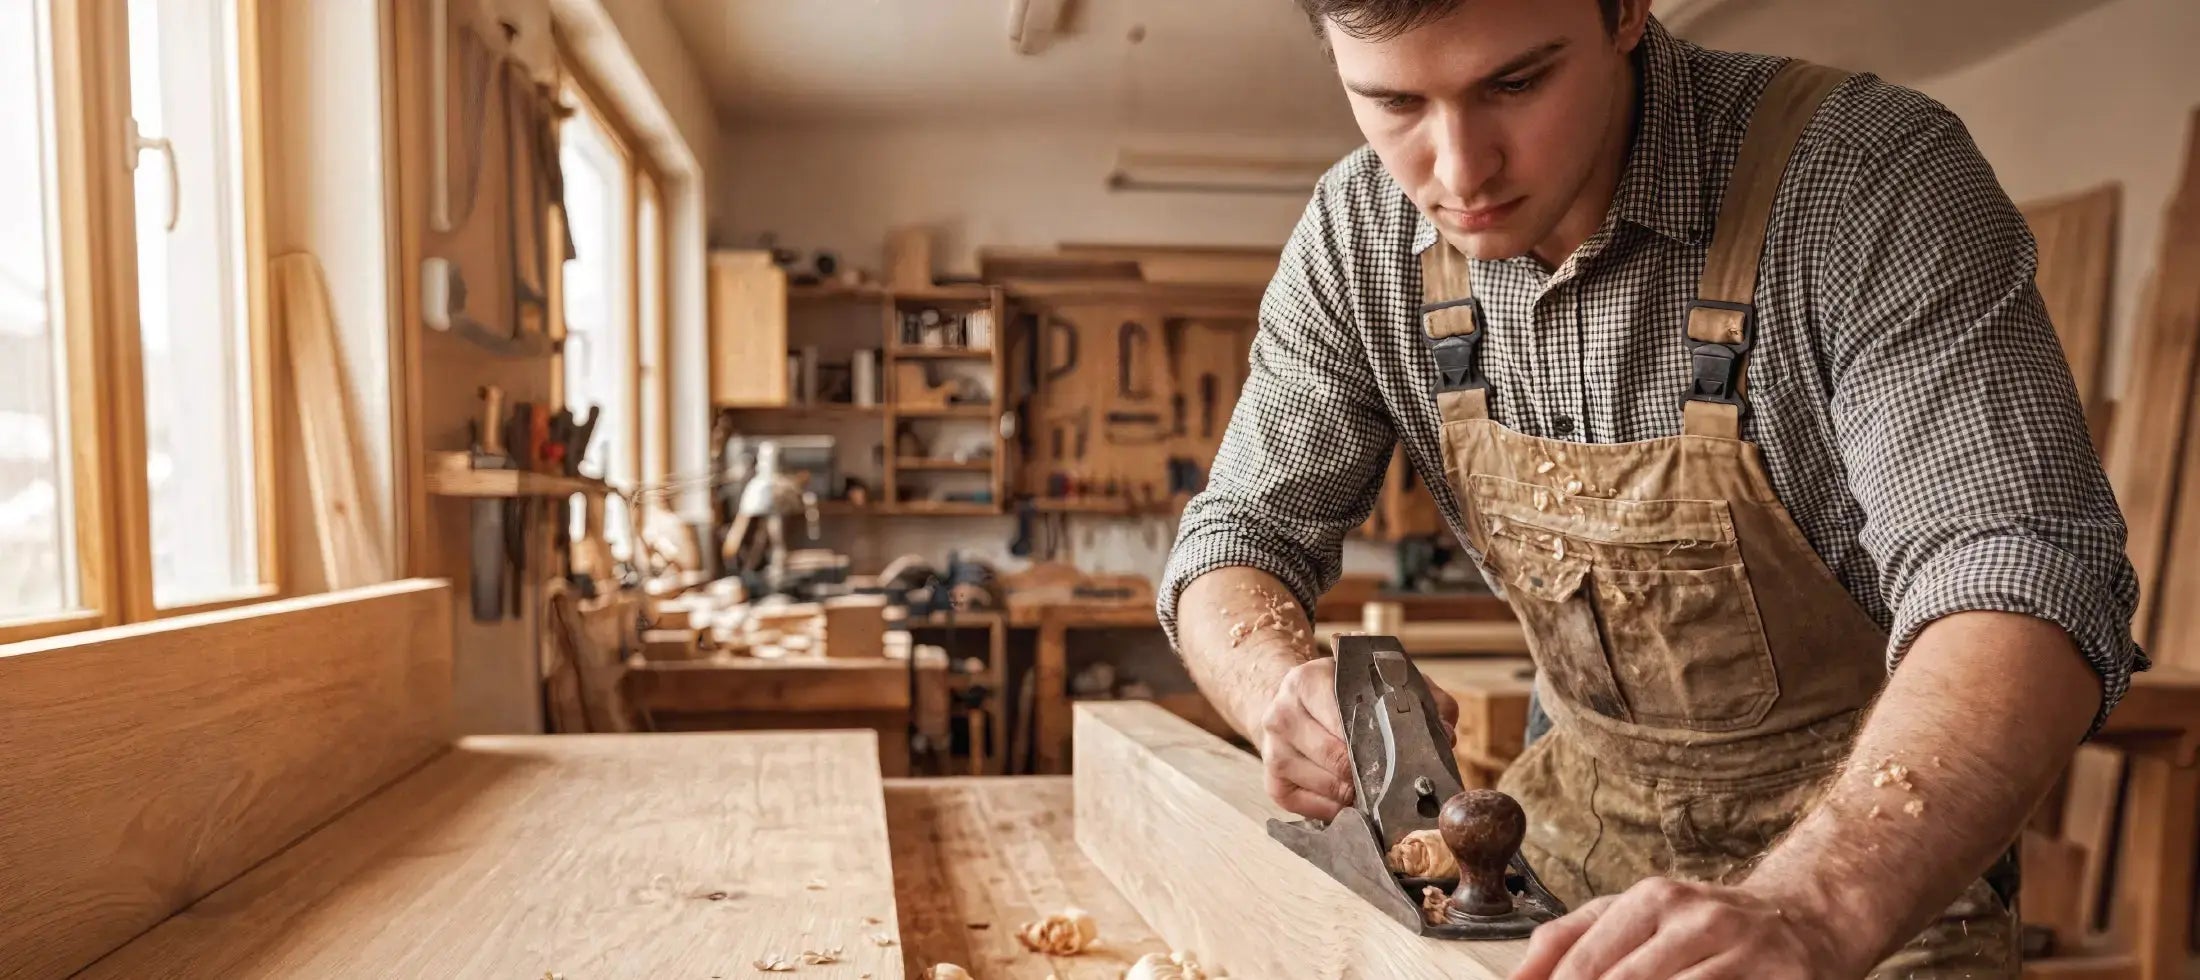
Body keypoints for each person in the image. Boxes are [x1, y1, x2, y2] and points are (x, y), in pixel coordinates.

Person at [1156, 0, 2145, 977]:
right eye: (1393, 101)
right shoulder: (1356, 236)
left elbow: (2021, 571)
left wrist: (1812, 906)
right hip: (1571, 846)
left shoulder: (1863, 176)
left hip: (1872, 870)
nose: (1458, 172)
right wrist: (1274, 686)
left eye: (1515, 83)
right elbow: (1238, 531)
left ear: (1626, 9)